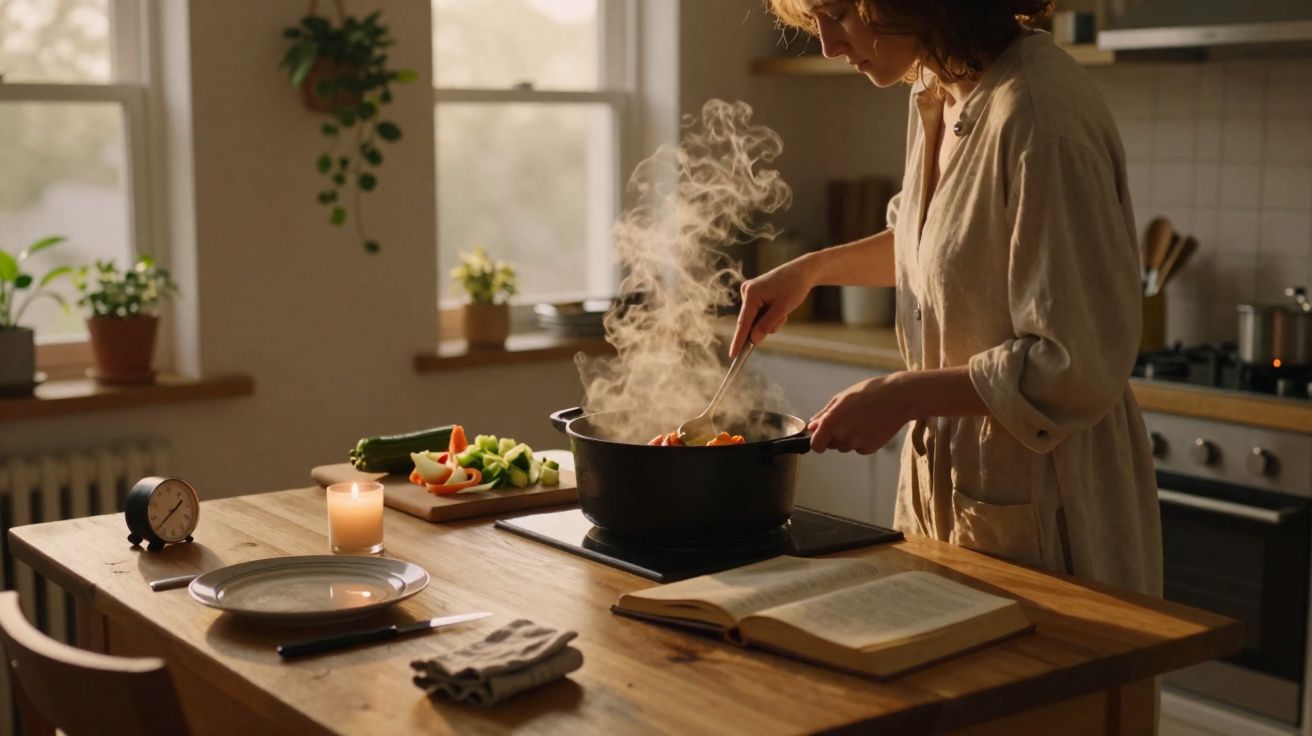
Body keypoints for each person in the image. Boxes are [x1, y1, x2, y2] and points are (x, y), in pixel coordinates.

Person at [731, 0, 1162, 597]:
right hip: (955, 494)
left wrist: (902, 396)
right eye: (815, 23)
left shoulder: (1040, 114)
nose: (827, 45)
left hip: (1048, 507)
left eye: (839, 15)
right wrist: (810, 271)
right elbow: (938, 245)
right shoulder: (940, 91)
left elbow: (1075, 364)